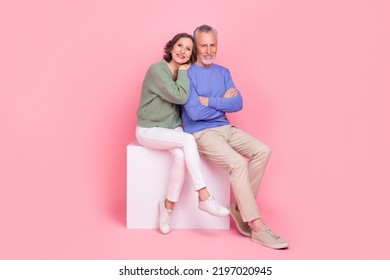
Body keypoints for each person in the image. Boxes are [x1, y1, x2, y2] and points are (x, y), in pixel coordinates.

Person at [181, 25, 288, 249]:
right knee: (238, 164)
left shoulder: (223, 72)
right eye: (203, 45)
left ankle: (240, 208)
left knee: (263, 150)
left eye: (213, 45)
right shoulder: (186, 73)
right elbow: (193, 112)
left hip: (225, 128)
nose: (209, 50)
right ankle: (256, 225)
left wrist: (209, 100)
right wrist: (222, 102)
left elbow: (238, 103)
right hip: (202, 132)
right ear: (195, 47)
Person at [135, 33, 230, 235]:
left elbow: (193, 103)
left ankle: (167, 207)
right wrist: (185, 73)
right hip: (149, 129)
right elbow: (180, 96)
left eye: (188, 49)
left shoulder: (182, 73)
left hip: (171, 129)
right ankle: (204, 196)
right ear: (171, 48)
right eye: (179, 46)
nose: (183, 51)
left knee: (180, 156)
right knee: (187, 140)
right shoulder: (157, 70)